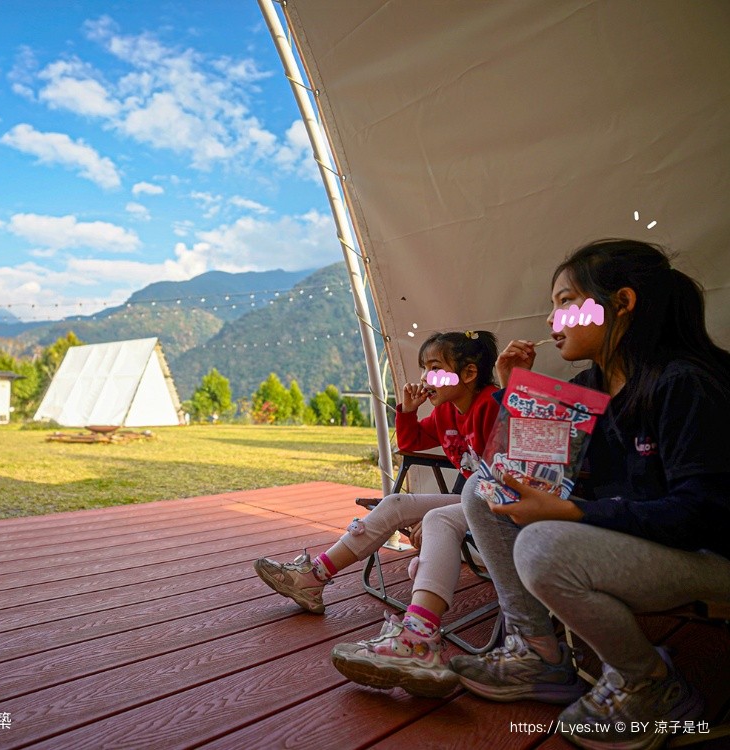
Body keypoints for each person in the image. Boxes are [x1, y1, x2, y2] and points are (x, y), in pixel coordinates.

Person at [445, 239, 730, 750]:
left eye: (565, 301)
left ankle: (649, 683)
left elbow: (703, 514)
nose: (553, 319)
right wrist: (520, 396)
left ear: (622, 302)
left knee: (542, 547)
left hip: (710, 555)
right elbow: (525, 477)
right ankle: (538, 651)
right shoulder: (589, 389)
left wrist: (572, 511)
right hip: (648, 543)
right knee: (479, 494)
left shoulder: (685, 383)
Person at [254, 330, 500, 697]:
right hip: (470, 498)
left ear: (467, 373)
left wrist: (449, 512)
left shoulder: (492, 405)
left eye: (435, 369)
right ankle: (314, 577)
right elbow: (411, 443)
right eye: (424, 369)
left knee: (435, 519)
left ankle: (418, 638)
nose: (425, 379)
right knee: (396, 503)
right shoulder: (448, 411)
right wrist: (409, 411)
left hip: (497, 503)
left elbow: (502, 477)